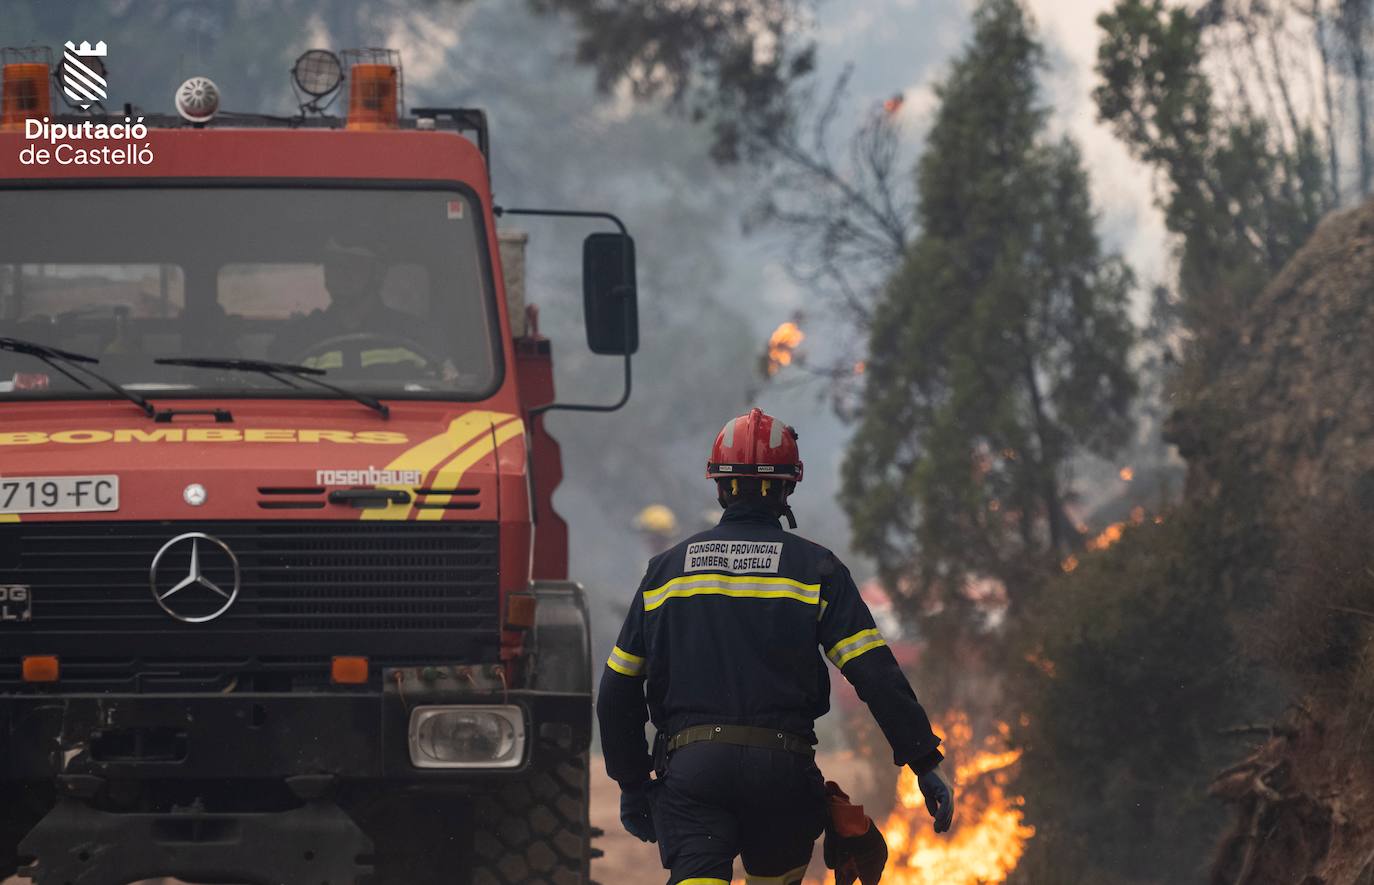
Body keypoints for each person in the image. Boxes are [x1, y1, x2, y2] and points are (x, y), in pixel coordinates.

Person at [597, 407, 955, 885]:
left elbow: (617, 691)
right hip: (781, 776)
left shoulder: (666, 572)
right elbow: (874, 674)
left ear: (719, 485)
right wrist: (923, 759)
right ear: (789, 487)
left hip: (695, 774)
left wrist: (632, 783)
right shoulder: (817, 568)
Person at [268, 238, 437, 371]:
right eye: (333, 263)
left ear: (378, 273)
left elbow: (445, 391)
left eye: (353, 263)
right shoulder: (295, 338)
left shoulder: (416, 335)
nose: (342, 271)